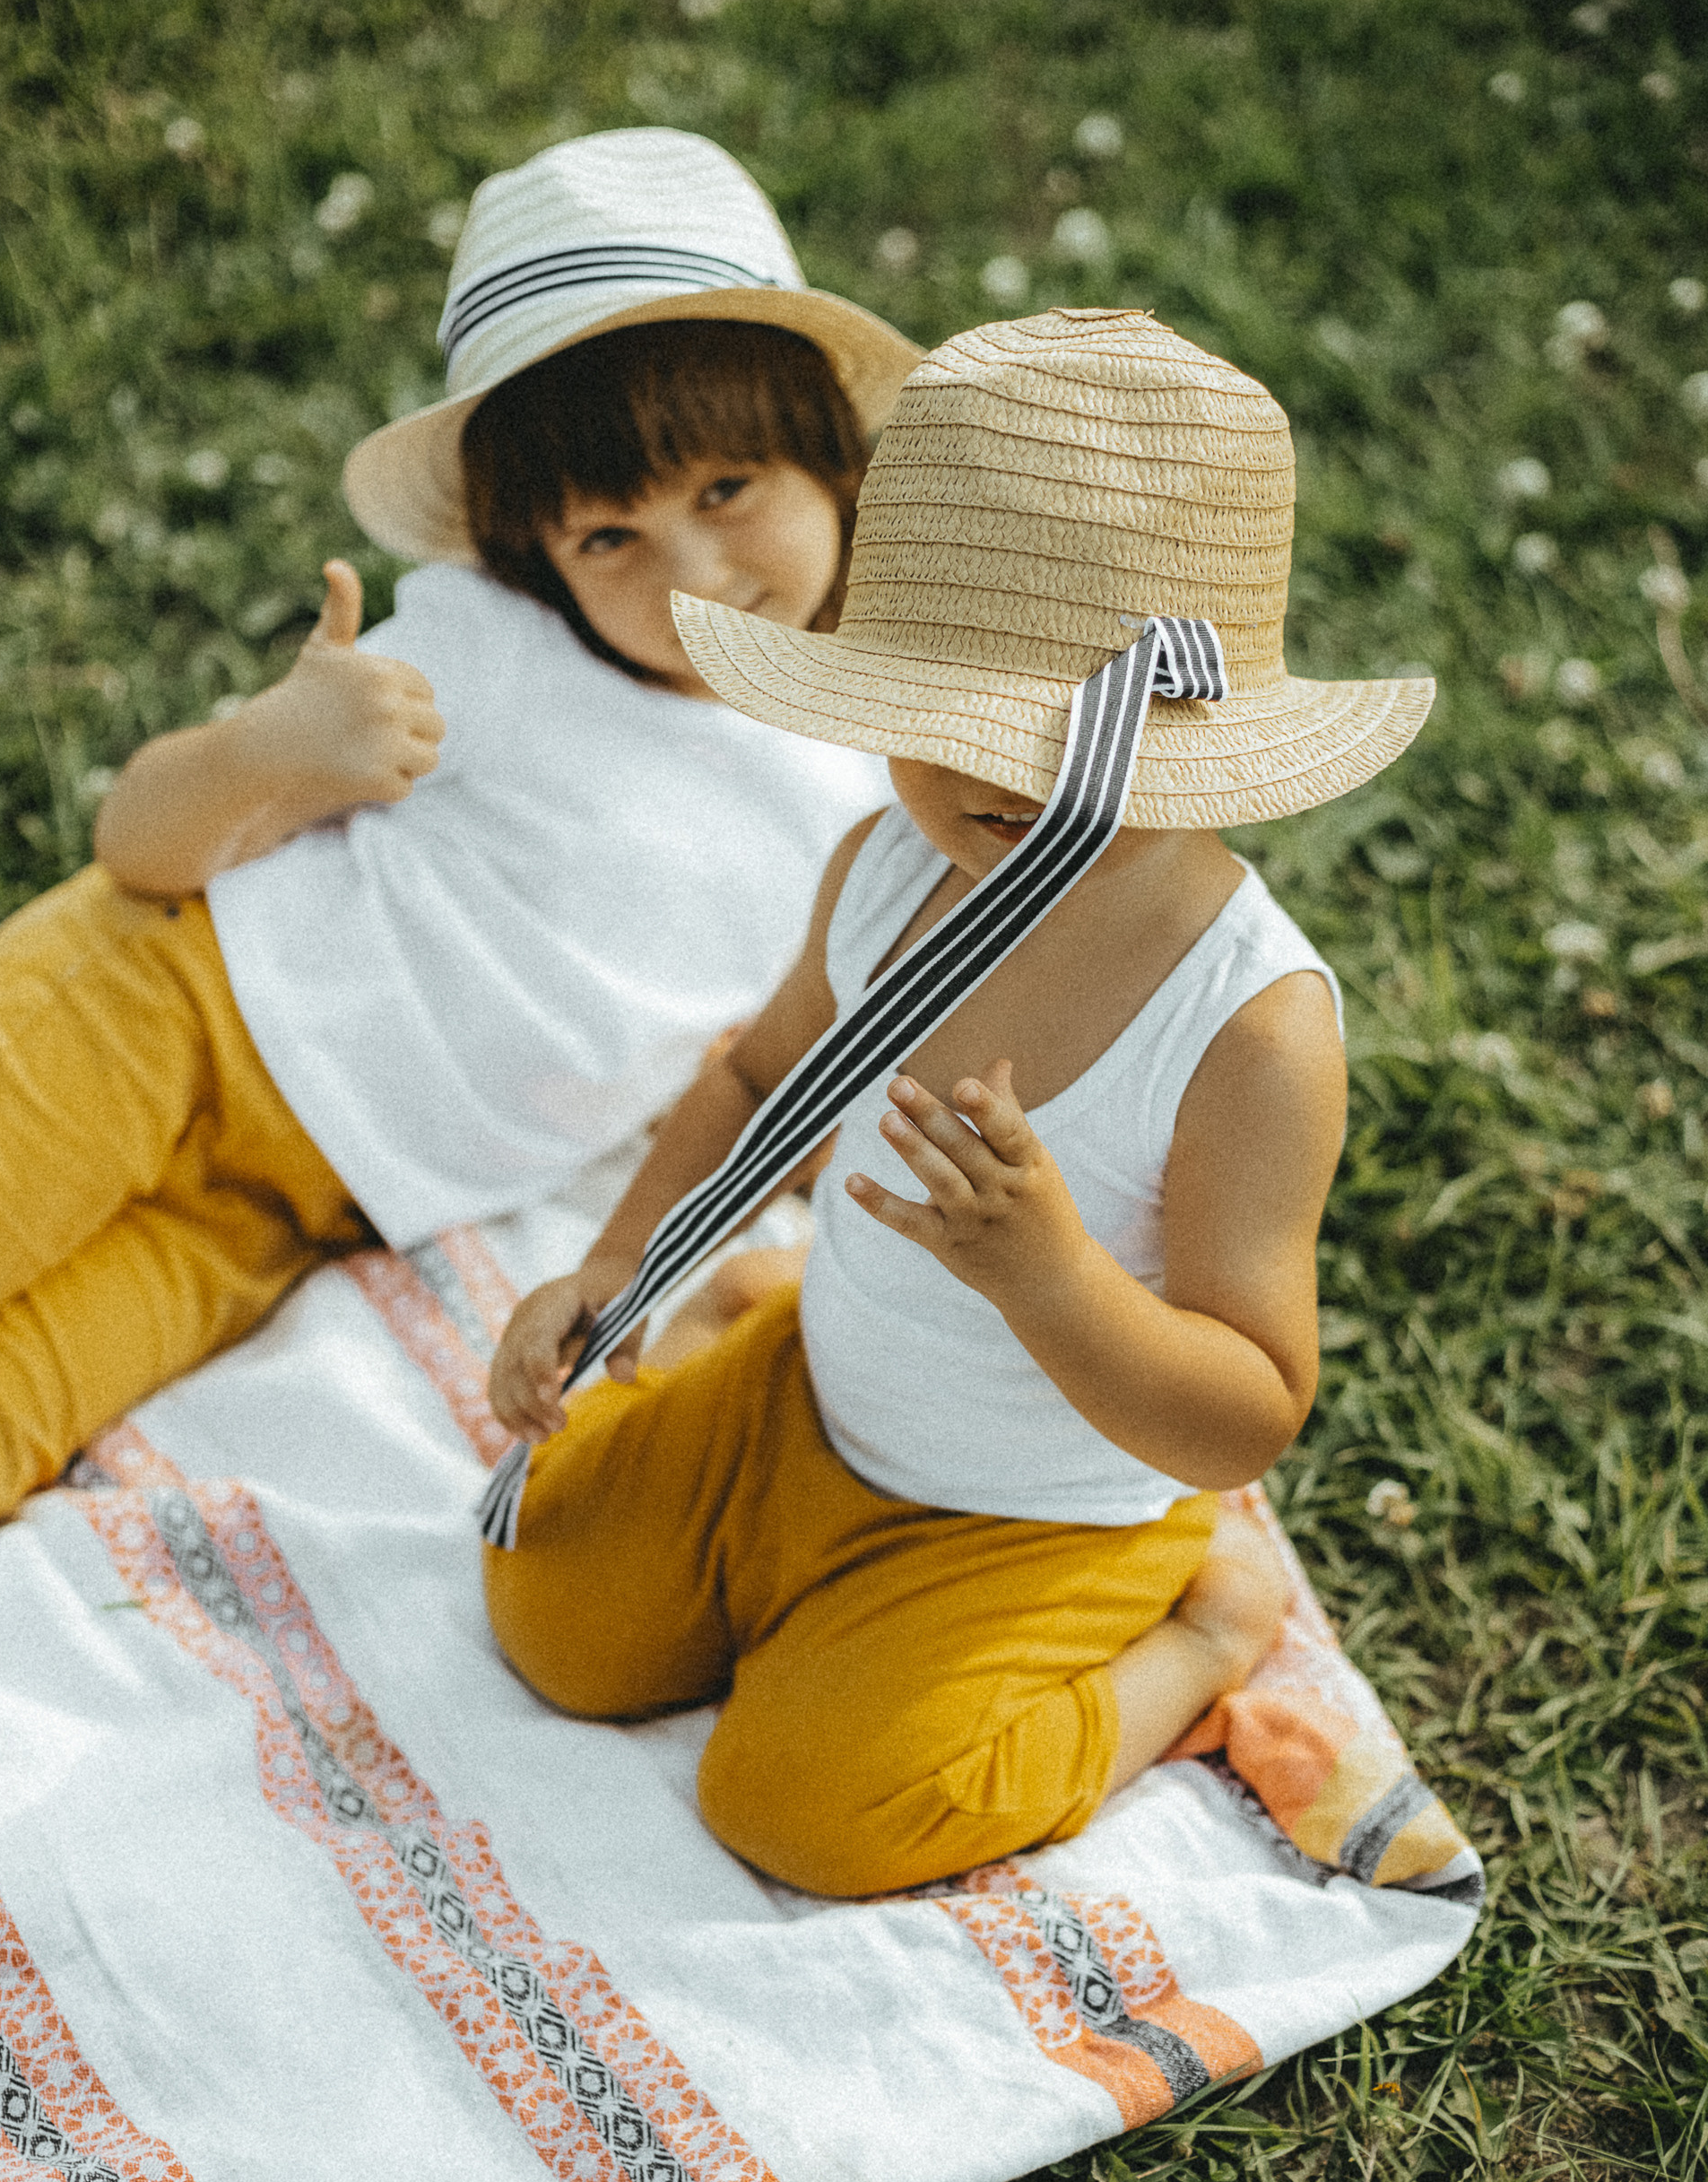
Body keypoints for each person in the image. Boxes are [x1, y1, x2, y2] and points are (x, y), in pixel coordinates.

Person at [482, 308, 1436, 1901]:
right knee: (548, 1607)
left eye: (1059, 731)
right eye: (947, 716)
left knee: (802, 1809)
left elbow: (1249, 1406)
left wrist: (1046, 1270)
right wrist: (615, 1267)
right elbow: (751, 1075)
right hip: (821, 1399)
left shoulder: (1248, 1027)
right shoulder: (889, 871)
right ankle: (750, 1311)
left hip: (1035, 1511)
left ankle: (1194, 1641)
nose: (997, 779)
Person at [0, 128, 919, 1560]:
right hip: (174, 1012)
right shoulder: (498, 652)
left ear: (831, 460)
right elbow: (136, 842)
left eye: (726, 492)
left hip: (304, 1207)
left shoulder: (877, 787)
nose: (693, 577)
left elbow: (772, 1057)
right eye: (607, 540)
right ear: (538, 561)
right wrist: (272, 747)